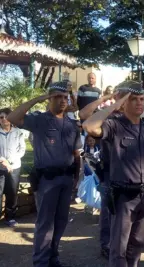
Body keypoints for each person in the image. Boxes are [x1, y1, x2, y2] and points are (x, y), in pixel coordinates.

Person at [83, 80, 144, 267]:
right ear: (124, 103)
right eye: (133, 99)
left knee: (137, 244)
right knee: (119, 248)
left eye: (141, 99)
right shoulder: (113, 126)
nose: (139, 103)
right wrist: (115, 104)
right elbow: (89, 126)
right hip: (123, 198)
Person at [8, 80, 82, 267]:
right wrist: (39, 98)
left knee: (60, 222)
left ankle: (53, 257)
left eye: (65, 97)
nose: (63, 100)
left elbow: (76, 154)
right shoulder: (40, 120)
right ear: (50, 98)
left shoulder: (71, 124)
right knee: (45, 224)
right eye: (58, 96)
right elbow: (13, 118)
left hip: (66, 178)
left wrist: (76, 179)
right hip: (47, 181)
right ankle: (41, 262)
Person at [79, 91, 123, 259]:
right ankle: (106, 245)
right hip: (108, 171)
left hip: (127, 171)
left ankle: (120, 244)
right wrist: (106, 99)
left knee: (123, 213)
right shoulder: (106, 113)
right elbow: (83, 115)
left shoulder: (132, 115)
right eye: (123, 95)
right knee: (107, 211)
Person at [0, 108, 26, 227]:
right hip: (0, 167)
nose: (4, 119)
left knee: (12, 193)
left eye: (6, 116)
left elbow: (22, 150)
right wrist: (3, 161)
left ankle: (10, 217)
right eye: (1, 117)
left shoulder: (18, 132)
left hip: (14, 167)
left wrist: (9, 162)